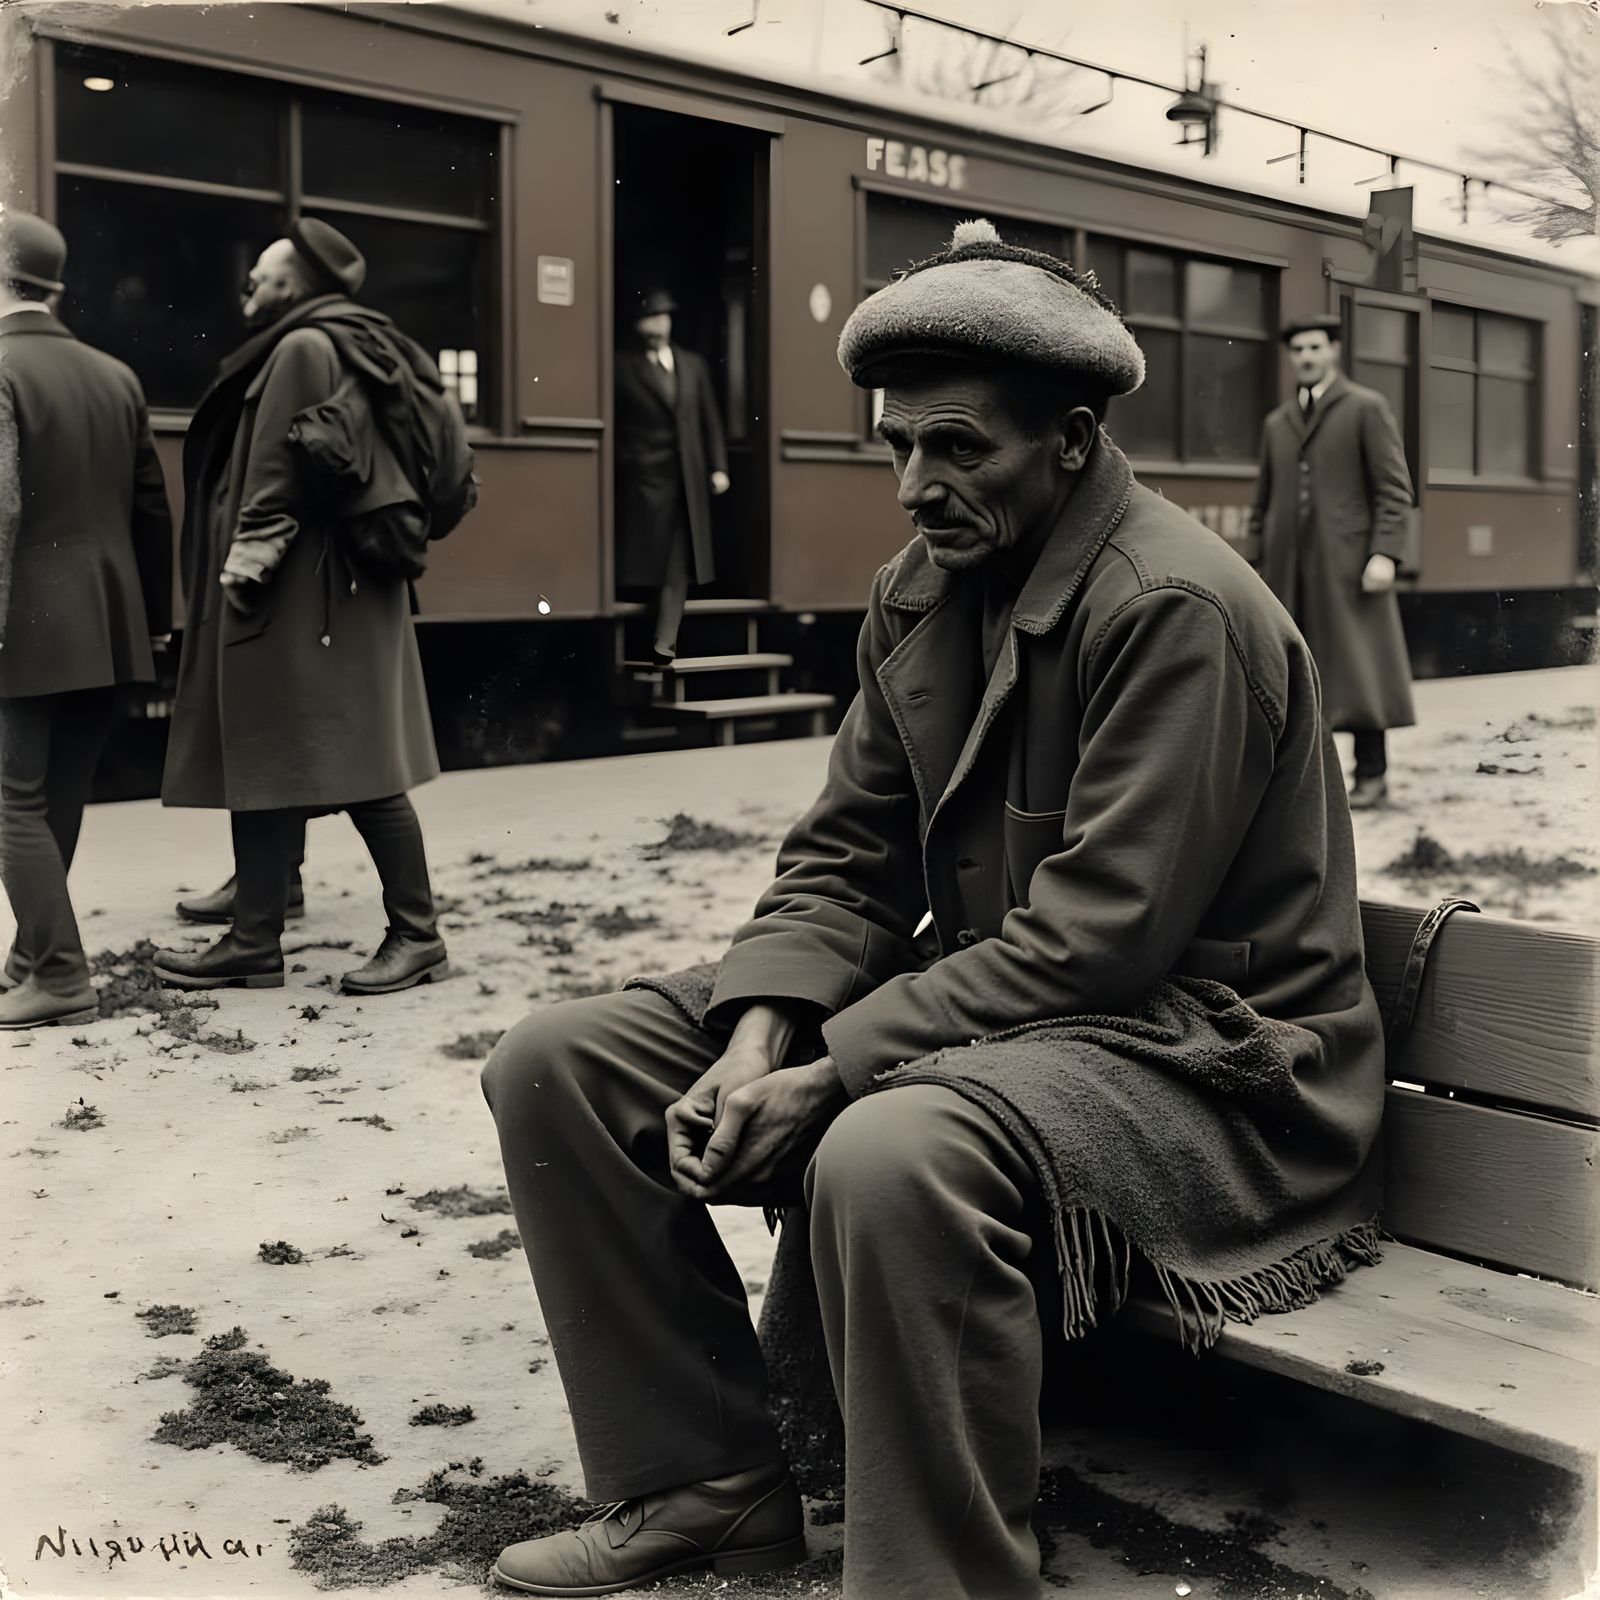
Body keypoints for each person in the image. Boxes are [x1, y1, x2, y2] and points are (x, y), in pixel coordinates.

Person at [479, 220, 1385, 1599]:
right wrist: (760, 1035)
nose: (915, 485)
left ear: (1072, 441)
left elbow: (1104, 936)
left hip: (1216, 1060)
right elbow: (847, 854)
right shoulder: (924, 589)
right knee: (560, 1064)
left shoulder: (1177, 607)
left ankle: (946, 1575)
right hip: (1028, 1026)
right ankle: (710, 1486)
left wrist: (840, 1065)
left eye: (959, 448)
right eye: (898, 444)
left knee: (887, 1145)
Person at [154, 219, 451, 996]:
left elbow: (274, 474)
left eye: (262, 274)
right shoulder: (340, 340)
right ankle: (257, 931)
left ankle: (415, 936)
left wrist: (241, 569)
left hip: (299, 589)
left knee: (357, 769)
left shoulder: (302, 348)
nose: (249, 284)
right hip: (332, 586)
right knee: (276, 753)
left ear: (298, 284)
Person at [0, 209, 173, 1030]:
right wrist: (156, 621)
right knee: (56, 792)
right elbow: (152, 509)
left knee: (8, 801)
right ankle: (34, 956)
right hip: (107, 621)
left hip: (21, 619)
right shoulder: (115, 374)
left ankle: (61, 974)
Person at [1248, 313, 1416, 809]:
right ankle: (1300, 785)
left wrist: (1384, 552)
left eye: (1315, 348)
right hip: (1287, 569)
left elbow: (1393, 489)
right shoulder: (1278, 423)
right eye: (1297, 350)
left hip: (1348, 566)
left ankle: (1372, 775)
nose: (1305, 357)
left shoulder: (1365, 407)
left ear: (1333, 351)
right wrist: (1255, 563)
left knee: (1360, 666)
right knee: (1290, 673)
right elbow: (1262, 502)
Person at [614, 288, 729, 664]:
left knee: (676, 558)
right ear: (638, 326)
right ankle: (654, 638)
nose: (657, 324)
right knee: (652, 555)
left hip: (687, 479)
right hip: (645, 480)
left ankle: (665, 640)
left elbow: (709, 419)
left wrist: (718, 466)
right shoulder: (623, 366)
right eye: (649, 318)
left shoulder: (692, 364)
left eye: (662, 317)